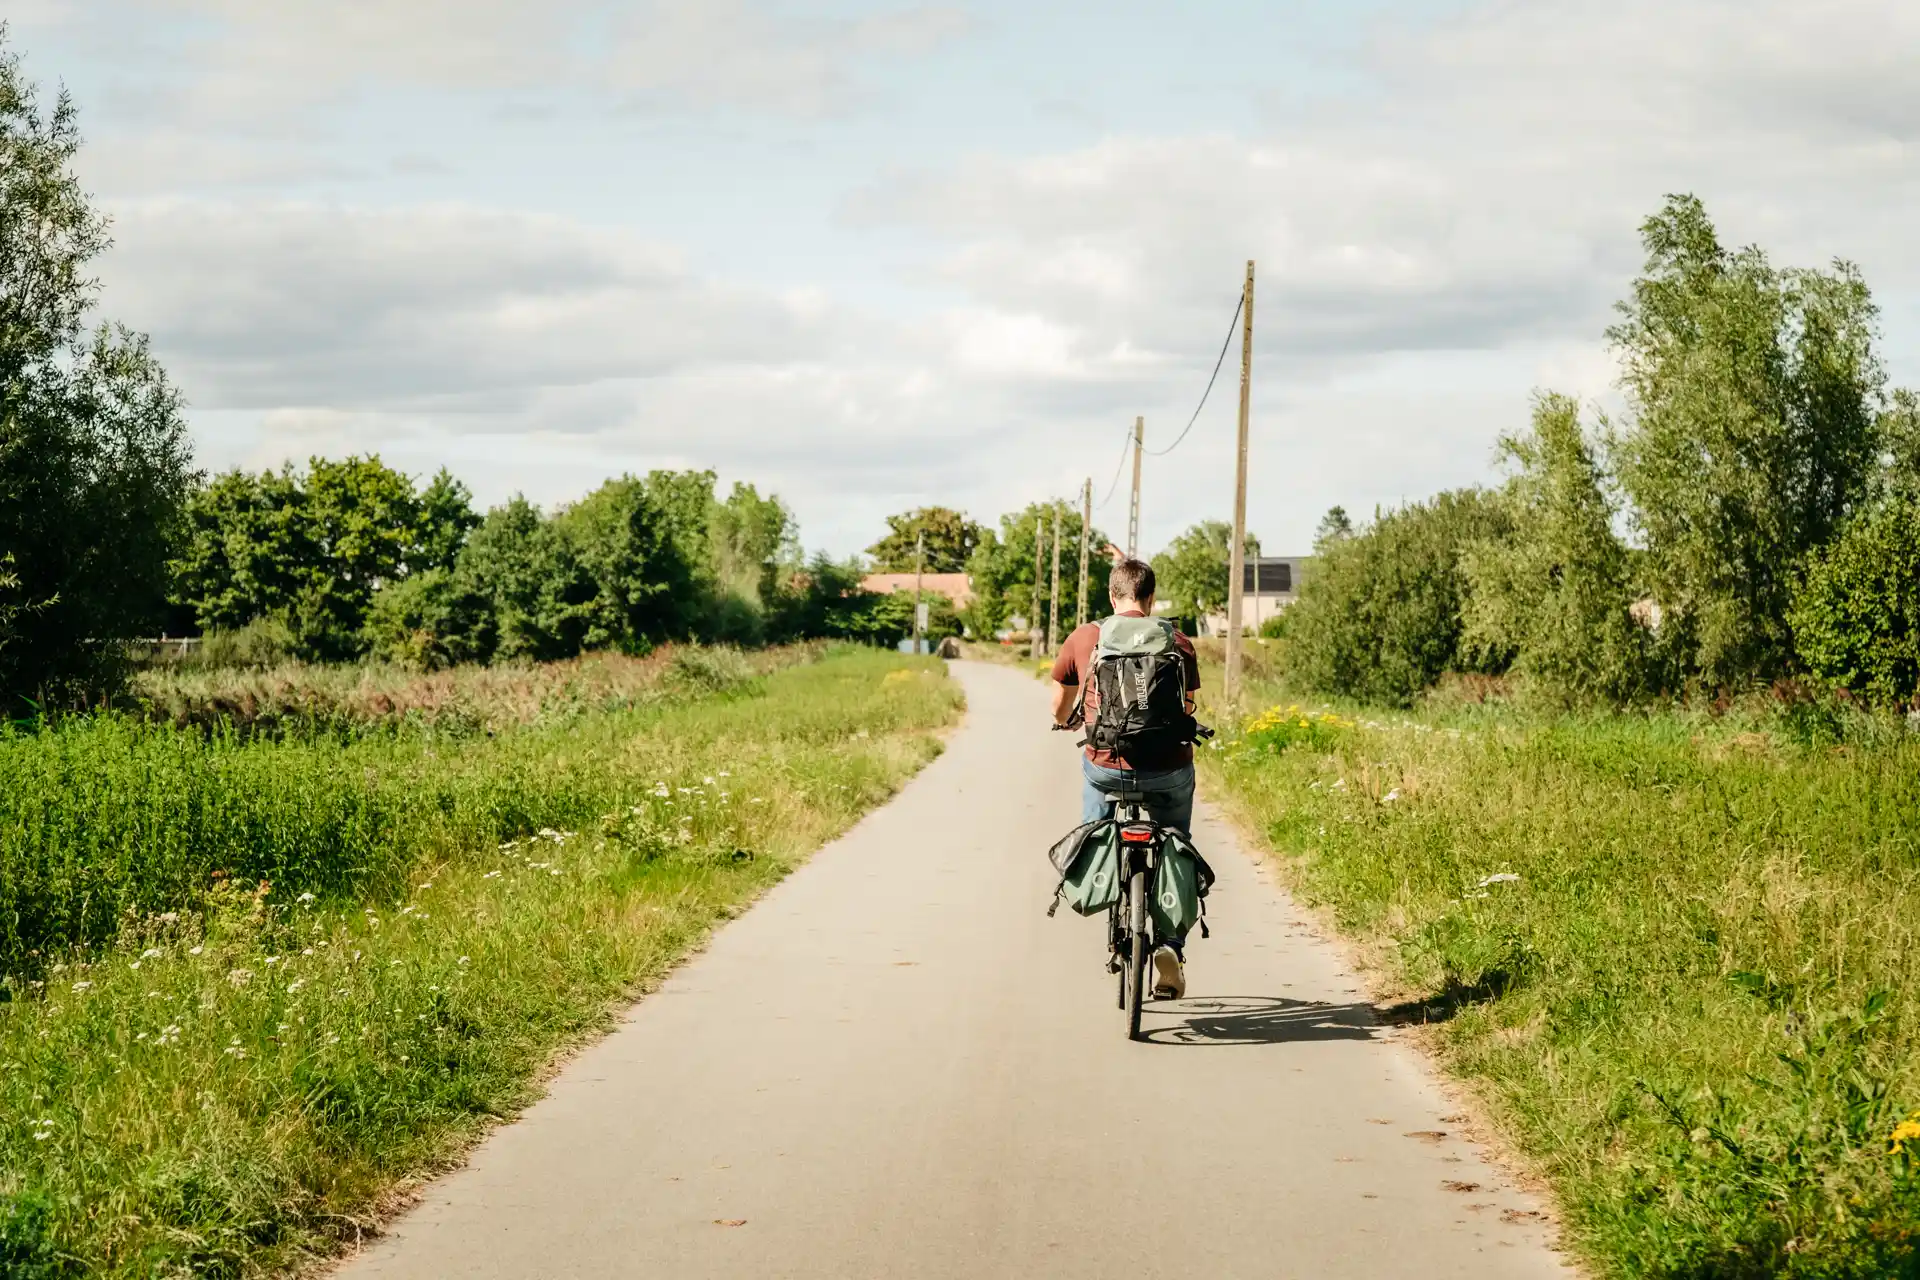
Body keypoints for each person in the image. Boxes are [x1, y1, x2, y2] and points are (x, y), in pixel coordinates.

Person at [1048, 555, 1202, 999]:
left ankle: (1100, 878)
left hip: (1106, 765)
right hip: (1168, 768)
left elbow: (1059, 704)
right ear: (1150, 598)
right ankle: (1170, 945)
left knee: (1094, 823)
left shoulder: (1086, 636)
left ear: (1111, 595)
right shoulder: (1176, 639)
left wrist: (1068, 722)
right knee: (1176, 837)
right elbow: (1187, 707)